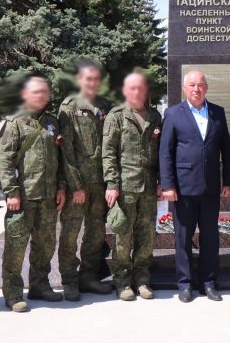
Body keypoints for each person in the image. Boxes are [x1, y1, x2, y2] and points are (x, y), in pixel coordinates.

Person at [159, 69, 230, 302]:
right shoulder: (172, 114)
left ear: (206, 88)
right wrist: (168, 185)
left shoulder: (218, 113)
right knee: (183, 237)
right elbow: (165, 153)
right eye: (192, 85)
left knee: (210, 237)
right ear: (184, 88)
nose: (196, 89)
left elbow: (226, 151)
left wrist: (227, 181)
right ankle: (184, 283)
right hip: (182, 188)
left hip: (211, 187)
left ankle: (208, 282)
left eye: (200, 85)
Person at [0, 75, 68, 312]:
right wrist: (11, 191)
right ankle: (13, 292)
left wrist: (60, 186)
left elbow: (58, 159)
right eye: (36, 92)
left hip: (47, 196)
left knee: (45, 245)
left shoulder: (52, 122)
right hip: (23, 196)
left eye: (44, 92)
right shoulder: (15, 122)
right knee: (16, 247)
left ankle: (40, 285)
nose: (41, 96)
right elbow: (4, 159)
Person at [57, 60, 115, 300]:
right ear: (80, 80)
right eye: (87, 79)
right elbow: (66, 151)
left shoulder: (105, 106)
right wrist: (75, 186)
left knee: (96, 232)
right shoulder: (69, 107)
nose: (92, 83)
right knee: (70, 233)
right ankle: (70, 280)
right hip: (77, 186)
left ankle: (88, 276)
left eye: (95, 79)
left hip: (100, 183)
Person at [102, 72, 163, 301]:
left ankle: (143, 280)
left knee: (146, 236)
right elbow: (108, 154)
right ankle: (123, 281)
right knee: (123, 237)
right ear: (126, 91)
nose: (137, 92)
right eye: (132, 89)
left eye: (140, 88)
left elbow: (160, 154)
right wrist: (111, 183)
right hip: (124, 187)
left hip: (148, 187)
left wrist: (160, 182)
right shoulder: (116, 116)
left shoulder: (155, 117)